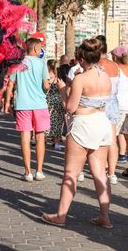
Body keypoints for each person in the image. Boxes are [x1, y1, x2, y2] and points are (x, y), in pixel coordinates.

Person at [41, 39, 113, 228]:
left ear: (82, 59)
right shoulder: (105, 76)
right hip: (102, 123)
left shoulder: (81, 78)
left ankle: (61, 215)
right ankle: (105, 217)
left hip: (83, 126)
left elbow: (70, 107)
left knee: (70, 173)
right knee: (100, 174)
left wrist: (64, 88)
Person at [4, 38, 50, 182]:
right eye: (41, 48)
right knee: (40, 137)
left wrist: (7, 103)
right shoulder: (42, 63)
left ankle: (28, 172)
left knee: (25, 137)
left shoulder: (18, 64)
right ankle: (40, 171)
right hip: (40, 104)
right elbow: (46, 85)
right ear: (36, 49)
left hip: (23, 104)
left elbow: (10, 84)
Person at [95, 35, 120, 185]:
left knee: (99, 138)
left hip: (101, 102)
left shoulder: (98, 65)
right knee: (112, 139)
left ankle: (102, 168)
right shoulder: (115, 65)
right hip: (114, 102)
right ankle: (112, 173)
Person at [111, 46, 128, 165]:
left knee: (112, 136)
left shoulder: (116, 68)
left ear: (115, 57)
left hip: (118, 105)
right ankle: (122, 155)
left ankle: (109, 167)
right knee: (124, 133)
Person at [46, 59, 65, 151]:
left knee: (47, 120)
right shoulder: (58, 77)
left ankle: (43, 139)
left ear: (48, 66)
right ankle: (56, 142)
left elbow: (45, 89)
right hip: (59, 101)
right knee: (58, 121)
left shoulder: (47, 77)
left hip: (49, 101)